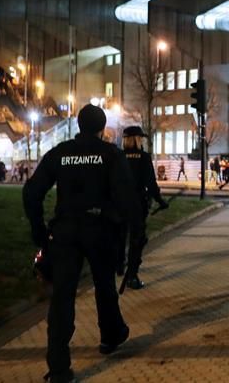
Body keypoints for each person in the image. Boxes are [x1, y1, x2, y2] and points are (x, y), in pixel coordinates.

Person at [22, 104, 141, 383]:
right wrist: (134, 233)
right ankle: (110, 336)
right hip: (99, 230)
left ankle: (59, 368)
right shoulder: (110, 154)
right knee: (104, 286)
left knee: (62, 298)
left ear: (78, 126)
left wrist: (39, 233)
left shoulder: (60, 153)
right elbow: (127, 198)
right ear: (102, 129)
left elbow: (32, 192)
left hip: (65, 232)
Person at [121, 126, 169, 290]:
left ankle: (119, 266)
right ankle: (132, 276)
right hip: (137, 205)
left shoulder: (118, 156)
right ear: (136, 139)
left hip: (118, 204)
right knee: (137, 240)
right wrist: (160, 201)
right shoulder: (143, 157)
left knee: (119, 237)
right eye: (140, 138)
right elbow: (151, 184)